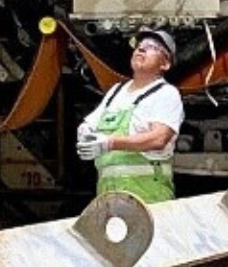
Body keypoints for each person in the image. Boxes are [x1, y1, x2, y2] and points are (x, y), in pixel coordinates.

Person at [76, 28, 185, 203]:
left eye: (151, 47)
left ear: (165, 64)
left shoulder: (166, 94)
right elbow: (91, 123)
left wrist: (110, 143)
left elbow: (159, 139)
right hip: (108, 194)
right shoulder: (116, 92)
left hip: (148, 196)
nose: (141, 49)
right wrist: (85, 131)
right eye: (139, 46)